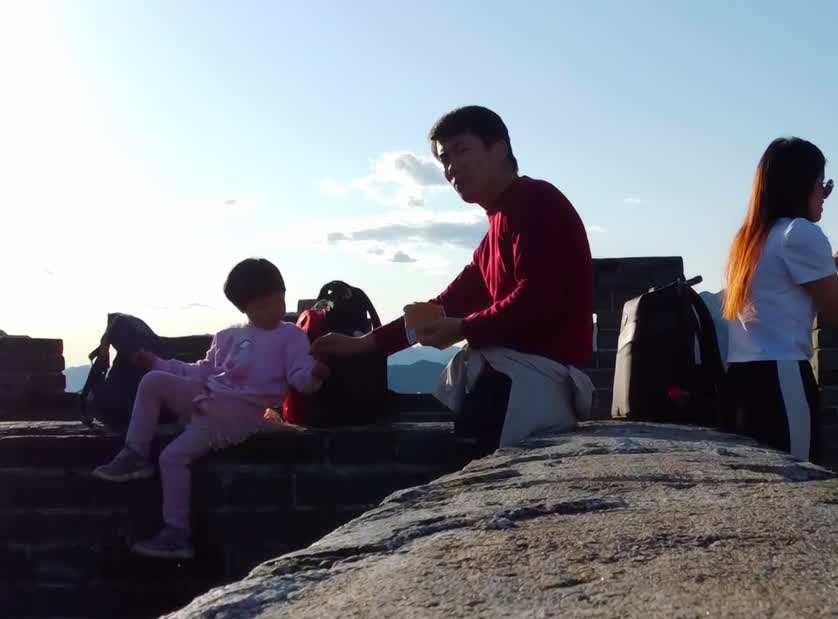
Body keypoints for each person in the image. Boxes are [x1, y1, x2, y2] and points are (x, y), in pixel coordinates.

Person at [312, 106, 594, 454]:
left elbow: (538, 298)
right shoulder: (497, 228)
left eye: (462, 150)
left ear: (499, 148)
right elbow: (443, 307)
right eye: (444, 159)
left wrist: (463, 329)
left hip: (527, 387)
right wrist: (367, 343)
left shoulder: (535, 201)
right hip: (506, 383)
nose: (452, 168)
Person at [92, 258, 330, 559]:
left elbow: (300, 375)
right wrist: (157, 363)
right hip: (206, 394)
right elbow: (202, 371)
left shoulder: (290, 336)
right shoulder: (228, 336)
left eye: (277, 300)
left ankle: (176, 533)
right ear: (244, 308)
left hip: (238, 412)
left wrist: (316, 375)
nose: (273, 310)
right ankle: (135, 454)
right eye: (262, 306)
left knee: (172, 457)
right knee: (153, 381)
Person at [720, 137, 838, 462]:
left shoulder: (750, 238)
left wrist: (837, 261)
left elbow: (780, 291)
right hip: (783, 378)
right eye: (824, 185)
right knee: (795, 482)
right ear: (802, 185)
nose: (825, 196)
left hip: (740, 379)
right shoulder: (801, 233)